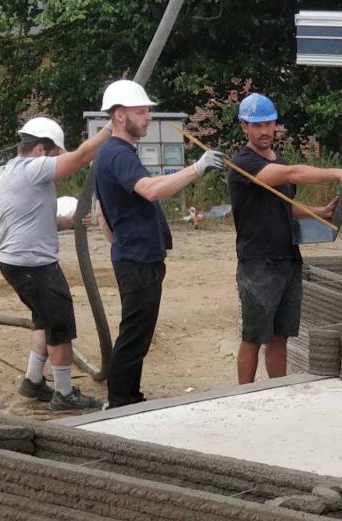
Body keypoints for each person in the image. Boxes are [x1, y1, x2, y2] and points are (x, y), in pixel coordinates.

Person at [94, 80, 226, 408]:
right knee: (134, 334)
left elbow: (101, 208)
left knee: (138, 333)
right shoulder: (116, 152)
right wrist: (197, 168)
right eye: (141, 111)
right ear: (120, 115)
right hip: (136, 258)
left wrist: (116, 240)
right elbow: (151, 190)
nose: (148, 117)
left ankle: (128, 396)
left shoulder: (119, 152)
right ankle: (122, 401)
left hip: (138, 254)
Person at [227, 93, 342, 385]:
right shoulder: (243, 164)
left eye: (269, 123)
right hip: (258, 261)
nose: (265, 130)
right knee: (255, 335)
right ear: (244, 127)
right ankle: (243, 394)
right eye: (257, 125)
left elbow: (281, 203)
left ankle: (278, 391)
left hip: (288, 258)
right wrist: (337, 173)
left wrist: (317, 212)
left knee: (281, 334)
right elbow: (293, 173)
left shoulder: (276, 161)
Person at [0, 116, 113, 411]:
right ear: (38, 150)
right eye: (54, 153)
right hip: (33, 265)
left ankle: (33, 380)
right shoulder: (33, 168)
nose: (58, 159)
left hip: (17, 261)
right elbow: (82, 156)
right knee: (59, 325)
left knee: (44, 321)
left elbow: (31, 216)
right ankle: (64, 393)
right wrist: (111, 128)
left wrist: (68, 222)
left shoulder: (13, 170)